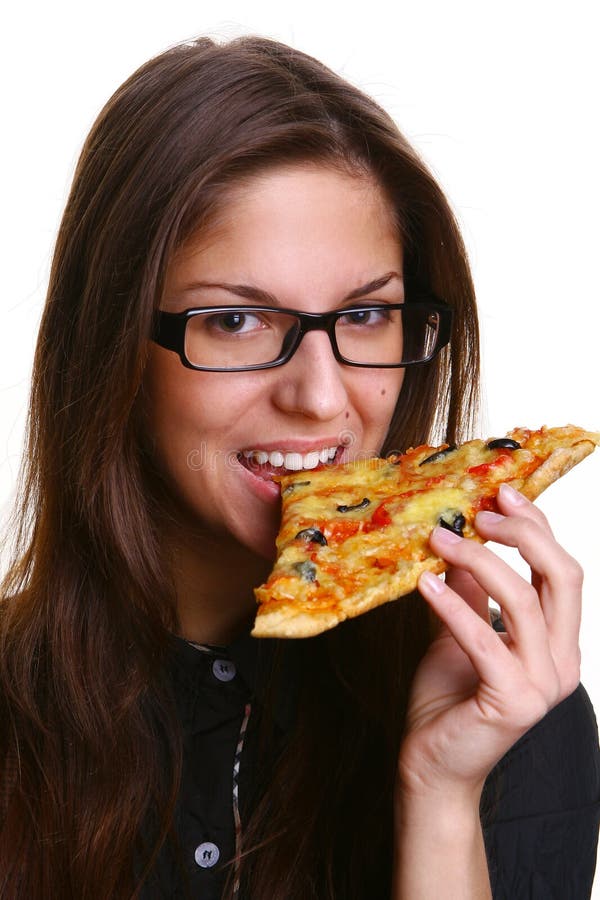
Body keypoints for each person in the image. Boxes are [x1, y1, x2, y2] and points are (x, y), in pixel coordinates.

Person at [0, 35, 598, 900]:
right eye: (235, 322)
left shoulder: (509, 705)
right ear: (111, 343)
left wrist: (441, 796)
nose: (321, 398)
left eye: (364, 315)